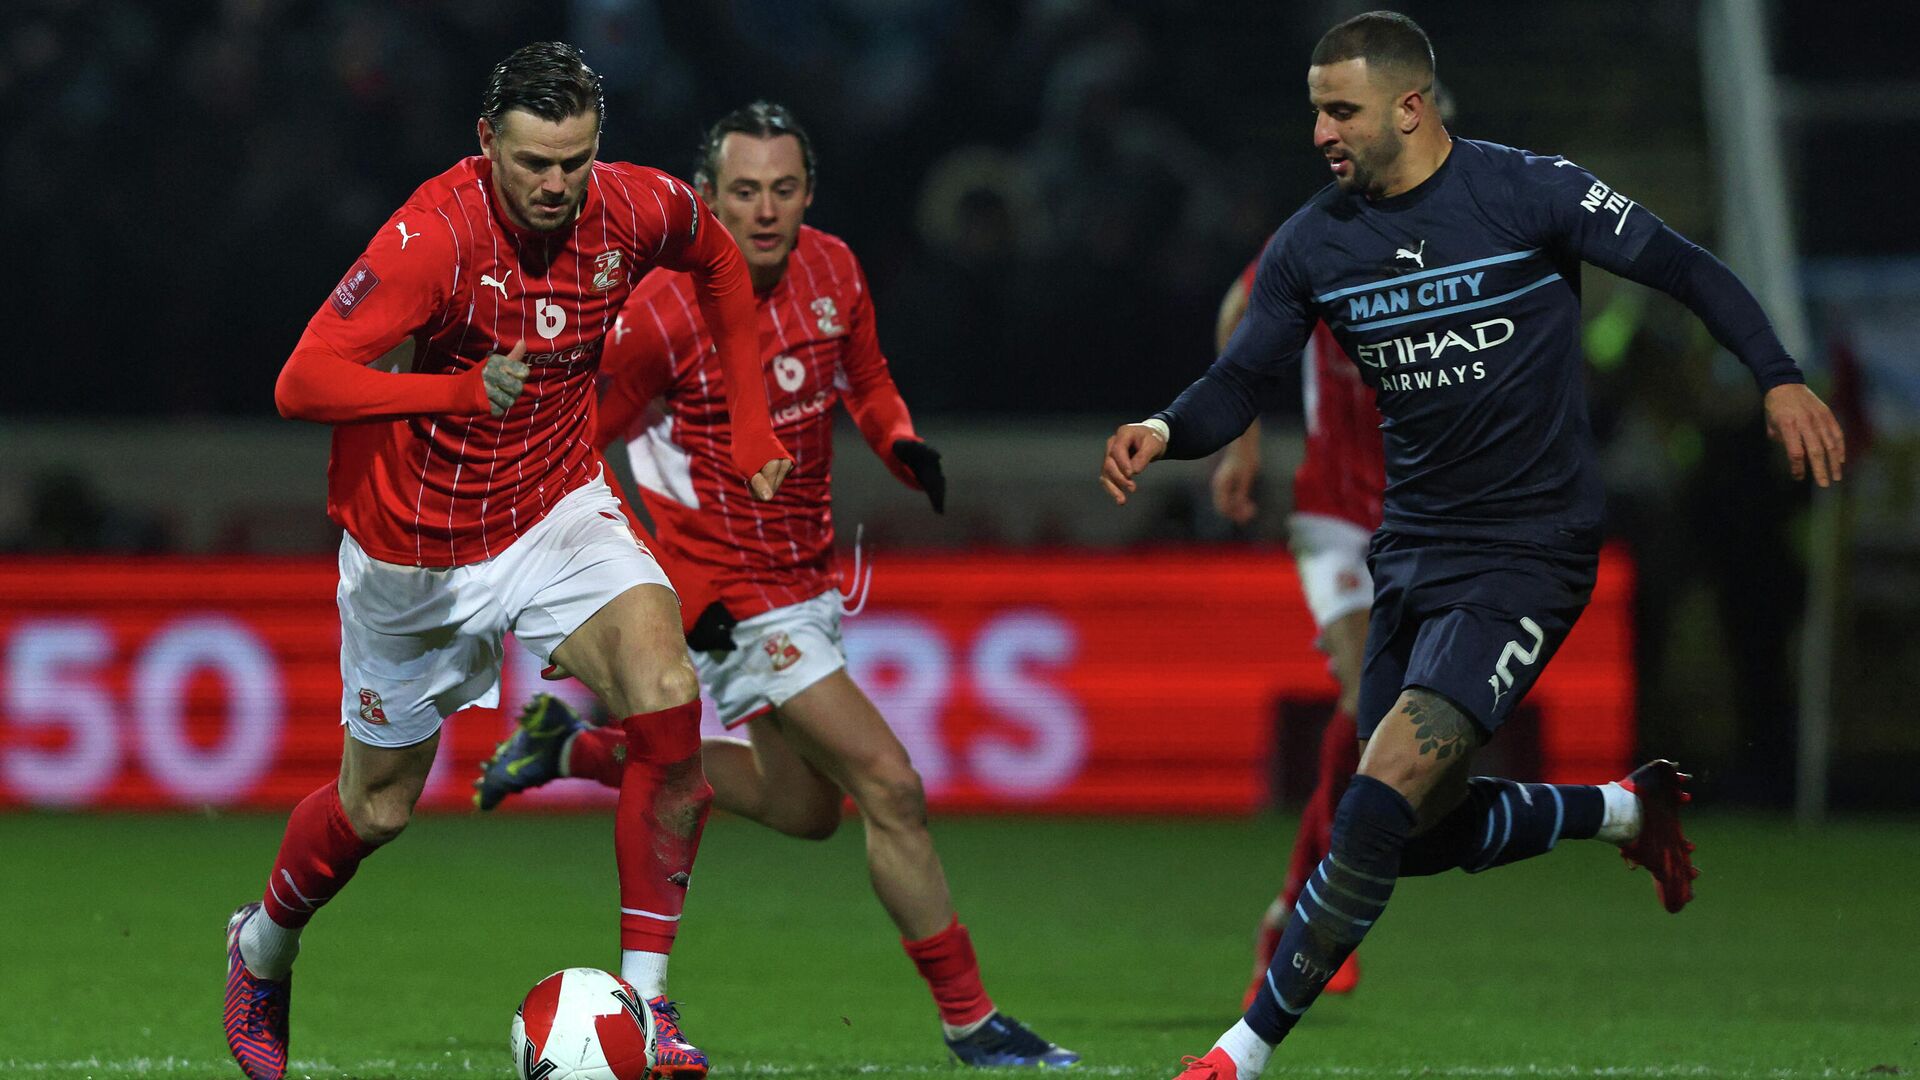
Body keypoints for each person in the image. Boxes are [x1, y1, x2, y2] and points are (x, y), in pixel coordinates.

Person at [1098, 13, 1845, 1080]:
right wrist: (1165, 430)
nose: (1320, 130)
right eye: (1315, 108)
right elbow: (1241, 376)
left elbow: (1683, 267)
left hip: (1529, 552)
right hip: (1411, 555)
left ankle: (1241, 1052)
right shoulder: (1317, 240)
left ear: (1413, 106)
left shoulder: (1526, 192)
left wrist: (1775, 373)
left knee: (1378, 788)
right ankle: (1627, 810)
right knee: (1416, 833)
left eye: (1340, 109)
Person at [223, 44, 792, 1080]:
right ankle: (262, 945)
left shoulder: (630, 208)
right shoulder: (432, 237)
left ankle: (652, 1005)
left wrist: (749, 425)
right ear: (487, 142)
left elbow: (716, 259)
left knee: (667, 700)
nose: (554, 185)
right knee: (378, 808)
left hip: (554, 508)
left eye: (573, 161)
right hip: (415, 551)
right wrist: (453, 392)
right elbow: (302, 382)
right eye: (533, 161)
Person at [472, 102, 1080, 1069]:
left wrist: (899, 441)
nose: (764, 211)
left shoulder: (833, 269)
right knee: (890, 785)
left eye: (784, 190)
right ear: (705, 195)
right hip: (732, 596)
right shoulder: (661, 313)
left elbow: (867, 381)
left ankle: (577, 750)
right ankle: (972, 1020)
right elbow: (576, 451)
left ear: (808, 195)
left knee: (807, 811)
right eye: (744, 191)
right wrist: (667, 580)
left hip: (808, 579)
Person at [1208, 261, 1385, 1007]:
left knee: (1401, 736)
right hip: (1335, 514)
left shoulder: (1462, 235)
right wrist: (1240, 443)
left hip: (1431, 519)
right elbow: (1238, 303)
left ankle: (1291, 909)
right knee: (1367, 698)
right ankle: (1307, 917)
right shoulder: (1324, 235)